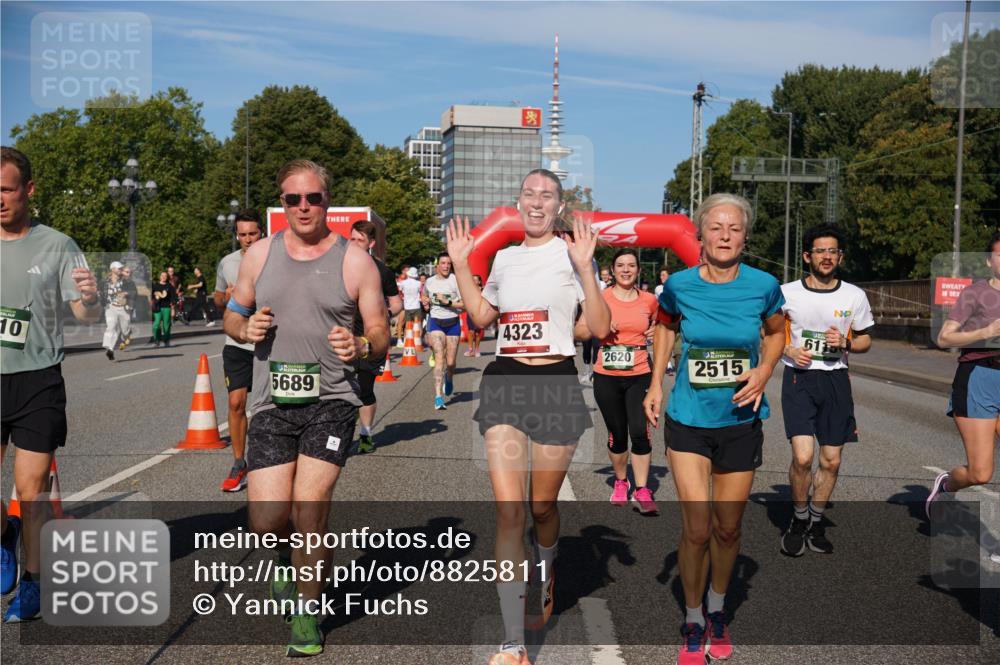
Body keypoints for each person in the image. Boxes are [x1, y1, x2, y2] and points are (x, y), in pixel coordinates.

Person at [223, 159, 388, 657]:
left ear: (327, 202)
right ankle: (282, 565)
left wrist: (361, 347)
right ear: (283, 202)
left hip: (332, 401)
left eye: (312, 198)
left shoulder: (355, 261)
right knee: (268, 520)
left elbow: (381, 334)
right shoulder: (259, 255)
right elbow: (233, 315)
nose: (302, 207)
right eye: (292, 199)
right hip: (273, 403)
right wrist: (243, 329)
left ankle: (307, 615)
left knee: (310, 511)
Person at [448, 168, 611, 665]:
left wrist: (586, 268)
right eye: (529, 194)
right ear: (518, 204)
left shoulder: (573, 253)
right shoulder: (502, 256)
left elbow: (600, 327)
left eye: (547, 195)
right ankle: (512, 639)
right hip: (505, 382)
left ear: (560, 207)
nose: (536, 202)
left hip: (557, 384)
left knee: (542, 507)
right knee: (508, 509)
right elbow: (481, 317)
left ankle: (548, 559)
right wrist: (460, 265)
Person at [643, 193, 784, 665]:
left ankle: (718, 608)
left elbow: (777, 331)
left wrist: (765, 370)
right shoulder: (680, 285)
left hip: (741, 420)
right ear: (700, 235)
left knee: (728, 528)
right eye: (716, 228)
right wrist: (656, 383)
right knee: (698, 528)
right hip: (688, 418)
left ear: (745, 238)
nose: (725, 235)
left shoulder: (763, 284)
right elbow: (665, 327)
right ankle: (693, 617)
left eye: (734, 228)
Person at [1, 146, 102, 619]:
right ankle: (7, 537)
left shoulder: (57, 244)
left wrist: (89, 297)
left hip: (38, 380)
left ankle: (34, 585)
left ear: (28, 191)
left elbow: (83, 313)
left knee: (32, 488)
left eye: (6, 189)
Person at [778, 224, 874, 556]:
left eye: (833, 251)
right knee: (803, 458)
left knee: (831, 461)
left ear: (840, 256)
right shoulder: (787, 292)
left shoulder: (854, 295)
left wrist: (846, 341)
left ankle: (816, 521)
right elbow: (768, 334)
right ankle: (799, 518)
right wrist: (787, 350)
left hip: (835, 381)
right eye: (820, 251)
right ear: (807, 256)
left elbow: (865, 340)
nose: (827, 256)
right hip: (799, 379)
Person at [927, 230, 1000, 518]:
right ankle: (947, 485)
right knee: (980, 472)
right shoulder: (976, 294)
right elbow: (944, 338)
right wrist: (986, 332)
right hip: (979, 379)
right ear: (988, 261)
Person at [593, 249, 660, 514]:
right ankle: (621, 481)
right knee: (618, 434)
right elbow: (583, 327)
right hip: (607, 376)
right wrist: (598, 326)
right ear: (612, 269)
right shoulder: (601, 298)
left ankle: (642, 489)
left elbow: (666, 324)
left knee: (639, 431)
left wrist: (658, 330)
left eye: (631, 265)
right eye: (620, 265)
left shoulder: (650, 300)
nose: (626, 269)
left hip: (639, 374)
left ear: (638, 270)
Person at [213, 209, 263, 491]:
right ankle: (238, 462)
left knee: (266, 406)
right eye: (242, 234)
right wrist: (226, 298)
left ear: (261, 232)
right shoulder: (227, 262)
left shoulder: (272, 258)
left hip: (268, 340)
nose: (247, 239)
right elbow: (218, 297)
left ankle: (271, 457)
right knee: (236, 403)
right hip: (236, 342)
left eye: (252, 233)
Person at [348, 219, 402, 453]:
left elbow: (398, 304)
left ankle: (366, 434)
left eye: (359, 240)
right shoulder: (338, 265)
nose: (354, 243)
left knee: (364, 390)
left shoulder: (381, 270)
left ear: (370, 243)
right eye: (351, 239)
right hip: (343, 337)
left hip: (371, 338)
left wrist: (383, 313)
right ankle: (337, 435)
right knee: (339, 389)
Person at [421, 253, 464, 410]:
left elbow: (465, 304)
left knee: (451, 362)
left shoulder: (456, 281)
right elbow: (424, 295)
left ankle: (449, 377)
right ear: (437, 265)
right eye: (443, 263)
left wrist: (449, 302)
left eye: (448, 263)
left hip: (452, 323)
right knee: (440, 358)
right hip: (436, 322)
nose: (446, 266)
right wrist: (425, 302)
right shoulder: (430, 282)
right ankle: (438, 397)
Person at [101, 260, 132, 361]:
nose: (121, 270)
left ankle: (127, 334)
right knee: (111, 327)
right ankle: (109, 349)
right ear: (113, 269)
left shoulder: (126, 281)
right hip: (111, 307)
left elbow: (133, 291)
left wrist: (126, 293)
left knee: (125, 329)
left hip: (124, 308)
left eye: (121, 269)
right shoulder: (105, 282)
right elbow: (101, 293)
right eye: (119, 268)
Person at [398, 266, 422, 348]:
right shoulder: (419, 283)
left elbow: (400, 292)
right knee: (417, 325)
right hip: (416, 305)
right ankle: (417, 341)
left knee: (407, 325)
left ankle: (407, 341)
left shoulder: (403, 283)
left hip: (407, 306)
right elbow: (421, 292)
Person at [150, 271, 175, 347]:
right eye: (162, 275)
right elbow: (150, 296)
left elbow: (173, 297)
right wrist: (154, 297)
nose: (163, 277)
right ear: (160, 277)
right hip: (157, 307)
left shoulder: (169, 286)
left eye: (165, 276)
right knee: (156, 324)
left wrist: (173, 308)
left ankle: (166, 341)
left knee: (166, 325)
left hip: (167, 307)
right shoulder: (155, 286)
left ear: (167, 277)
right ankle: (157, 340)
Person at [465, 274, 485, 357]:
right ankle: (470, 349)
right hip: (471, 313)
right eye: (473, 280)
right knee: (471, 331)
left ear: (479, 281)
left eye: (476, 280)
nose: (474, 281)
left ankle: (476, 349)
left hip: (480, 313)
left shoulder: (484, 290)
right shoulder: (469, 290)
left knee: (477, 333)